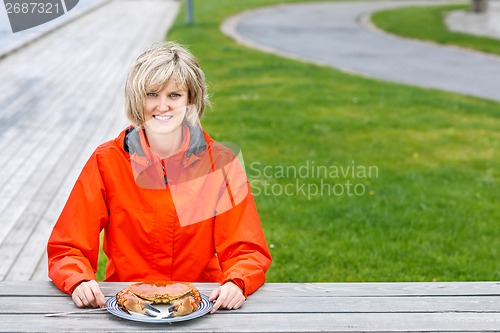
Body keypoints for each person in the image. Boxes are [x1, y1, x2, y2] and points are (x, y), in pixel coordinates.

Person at [47, 42, 272, 313]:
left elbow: (246, 248)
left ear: (190, 98)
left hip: (201, 304)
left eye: (174, 95)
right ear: (137, 99)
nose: (163, 106)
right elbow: (68, 244)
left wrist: (237, 282)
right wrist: (78, 279)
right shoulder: (108, 160)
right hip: (126, 305)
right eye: (152, 94)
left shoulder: (220, 164)